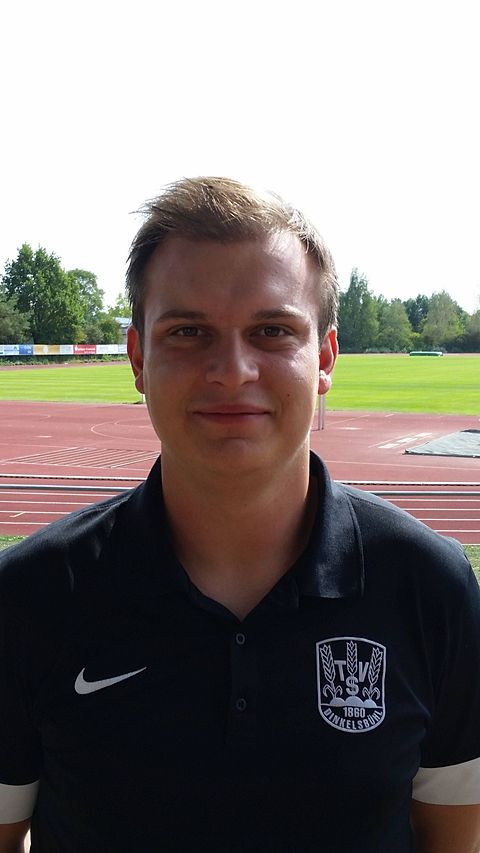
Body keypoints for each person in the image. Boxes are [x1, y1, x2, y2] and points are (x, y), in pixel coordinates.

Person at [1, 177, 479, 853]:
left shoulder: (431, 587)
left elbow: (454, 836)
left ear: (324, 358)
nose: (231, 369)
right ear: (138, 358)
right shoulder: (29, 595)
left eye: (272, 330)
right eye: (188, 331)